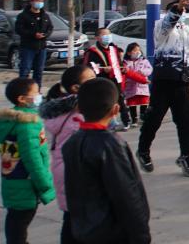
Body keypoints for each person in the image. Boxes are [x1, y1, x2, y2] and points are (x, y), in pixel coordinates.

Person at [63, 78, 151, 244]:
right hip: (111, 233)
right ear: (115, 109)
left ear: (79, 108)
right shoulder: (111, 145)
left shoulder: (72, 142)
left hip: (82, 229)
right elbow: (127, 193)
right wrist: (141, 235)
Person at [137, 0, 189, 177]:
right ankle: (143, 150)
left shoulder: (185, 29)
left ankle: (186, 155)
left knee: (185, 120)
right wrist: (177, 9)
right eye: (179, 9)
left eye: (184, 9)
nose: (182, 12)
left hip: (182, 80)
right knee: (154, 118)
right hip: (164, 79)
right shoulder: (160, 25)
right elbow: (167, 26)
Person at [39, 64, 96, 236]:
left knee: (71, 218)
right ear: (76, 88)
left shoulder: (63, 112)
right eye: (91, 79)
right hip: (74, 172)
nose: (96, 81)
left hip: (62, 169)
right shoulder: (77, 117)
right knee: (80, 221)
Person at [0, 77, 56, 244]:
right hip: (27, 181)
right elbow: (32, 158)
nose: (40, 96)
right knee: (20, 222)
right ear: (22, 99)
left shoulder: (9, 121)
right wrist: (44, 183)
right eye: (36, 93)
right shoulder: (28, 124)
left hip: (11, 179)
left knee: (15, 220)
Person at [81, 27, 130, 129]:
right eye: (104, 35)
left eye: (109, 34)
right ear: (97, 37)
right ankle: (108, 122)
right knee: (105, 101)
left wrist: (123, 68)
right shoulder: (92, 51)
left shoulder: (114, 49)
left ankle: (126, 121)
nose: (107, 37)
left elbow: (119, 63)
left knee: (120, 99)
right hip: (101, 80)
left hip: (115, 79)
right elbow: (88, 67)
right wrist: (102, 70)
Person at [14, 0, 53, 85]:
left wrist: (45, 35)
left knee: (39, 71)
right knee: (25, 70)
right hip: (28, 47)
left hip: (42, 47)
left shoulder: (45, 16)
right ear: (31, 2)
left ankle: (36, 90)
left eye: (41, 1)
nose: (39, 3)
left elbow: (50, 28)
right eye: (37, 1)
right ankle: (22, 89)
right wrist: (33, 34)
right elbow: (19, 29)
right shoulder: (23, 16)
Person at [122, 43, 152, 131]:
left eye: (138, 50)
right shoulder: (125, 62)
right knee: (132, 104)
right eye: (135, 50)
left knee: (144, 102)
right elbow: (125, 73)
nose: (137, 52)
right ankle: (134, 119)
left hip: (142, 86)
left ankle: (143, 116)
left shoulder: (144, 61)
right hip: (131, 86)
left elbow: (149, 69)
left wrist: (143, 72)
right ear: (129, 52)